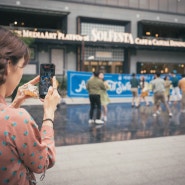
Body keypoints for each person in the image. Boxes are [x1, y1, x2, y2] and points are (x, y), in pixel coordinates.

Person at [0, 26, 61, 184]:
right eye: (21, 66)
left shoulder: (9, 116)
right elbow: (43, 162)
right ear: (8, 66)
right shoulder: (17, 119)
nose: (21, 73)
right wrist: (49, 114)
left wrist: (15, 103)